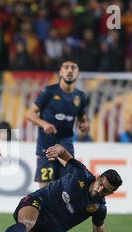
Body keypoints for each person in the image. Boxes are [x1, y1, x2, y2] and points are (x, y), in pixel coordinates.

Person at [0, 144, 122, 232]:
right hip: (39, 202)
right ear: (98, 178)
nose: (100, 190)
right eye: (100, 184)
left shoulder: (99, 208)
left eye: (105, 190)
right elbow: (62, 150)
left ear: (111, 193)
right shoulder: (81, 173)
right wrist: (56, 151)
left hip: (52, 226)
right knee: (27, 222)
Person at [27, 60, 90, 189]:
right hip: (46, 145)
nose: (70, 70)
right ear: (61, 72)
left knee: (66, 187)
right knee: (45, 188)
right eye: (66, 67)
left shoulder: (81, 97)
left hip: (66, 147)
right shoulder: (48, 92)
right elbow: (30, 114)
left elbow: (81, 118)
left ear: (78, 73)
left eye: (73, 68)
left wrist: (84, 125)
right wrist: (44, 124)